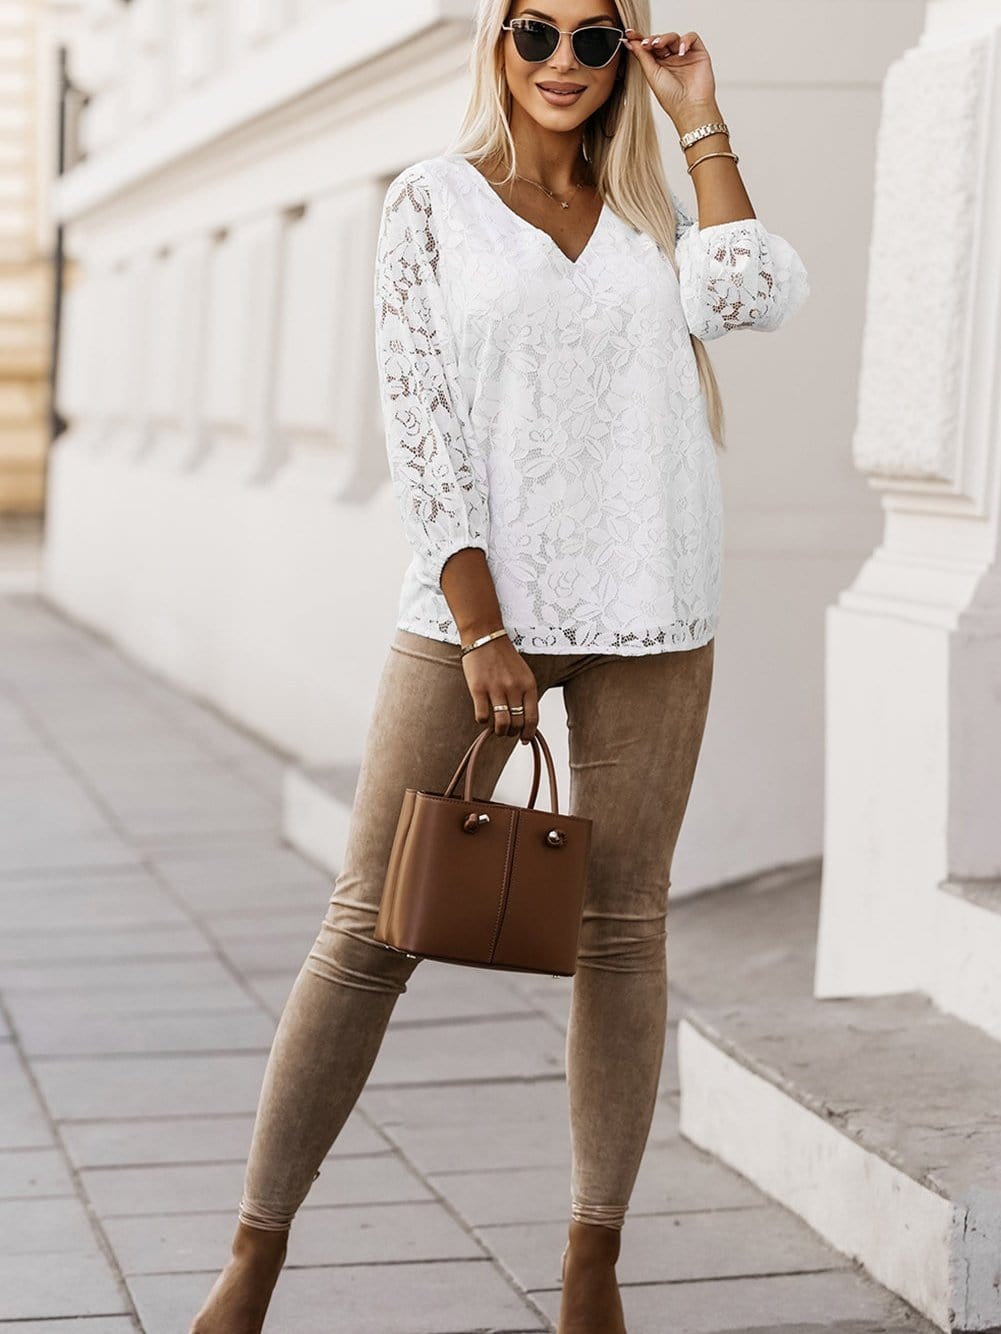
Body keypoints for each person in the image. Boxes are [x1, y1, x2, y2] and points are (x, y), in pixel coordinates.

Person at [190, 1, 809, 1330]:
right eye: (538, 32)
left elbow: (747, 296)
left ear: (627, 51)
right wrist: (483, 630)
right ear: (495, 41)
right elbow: (418, 420)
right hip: (476, 609)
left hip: (656, 608)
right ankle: (253, 1255)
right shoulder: (432, 201)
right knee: (368, 928)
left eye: (598, 39)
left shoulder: (657, 209)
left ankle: (592, 1262)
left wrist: (698, 122)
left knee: (622, 926)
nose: (564, 65)